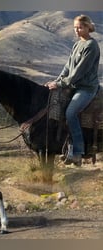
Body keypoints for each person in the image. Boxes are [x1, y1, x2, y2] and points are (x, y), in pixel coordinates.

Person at [44, 14, 100, 166]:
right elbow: (68, 67)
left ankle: (78, 152)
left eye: (80, 27)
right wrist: (57, 81)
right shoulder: (77, 44)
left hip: (86, 88)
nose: (77, 30)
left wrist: (61, 84)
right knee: (56, 108)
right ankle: (67, 149)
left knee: (70, 113)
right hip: (73, 85)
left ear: (88, 27)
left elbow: (79, 72)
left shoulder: (91, 46)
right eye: (75, 27)